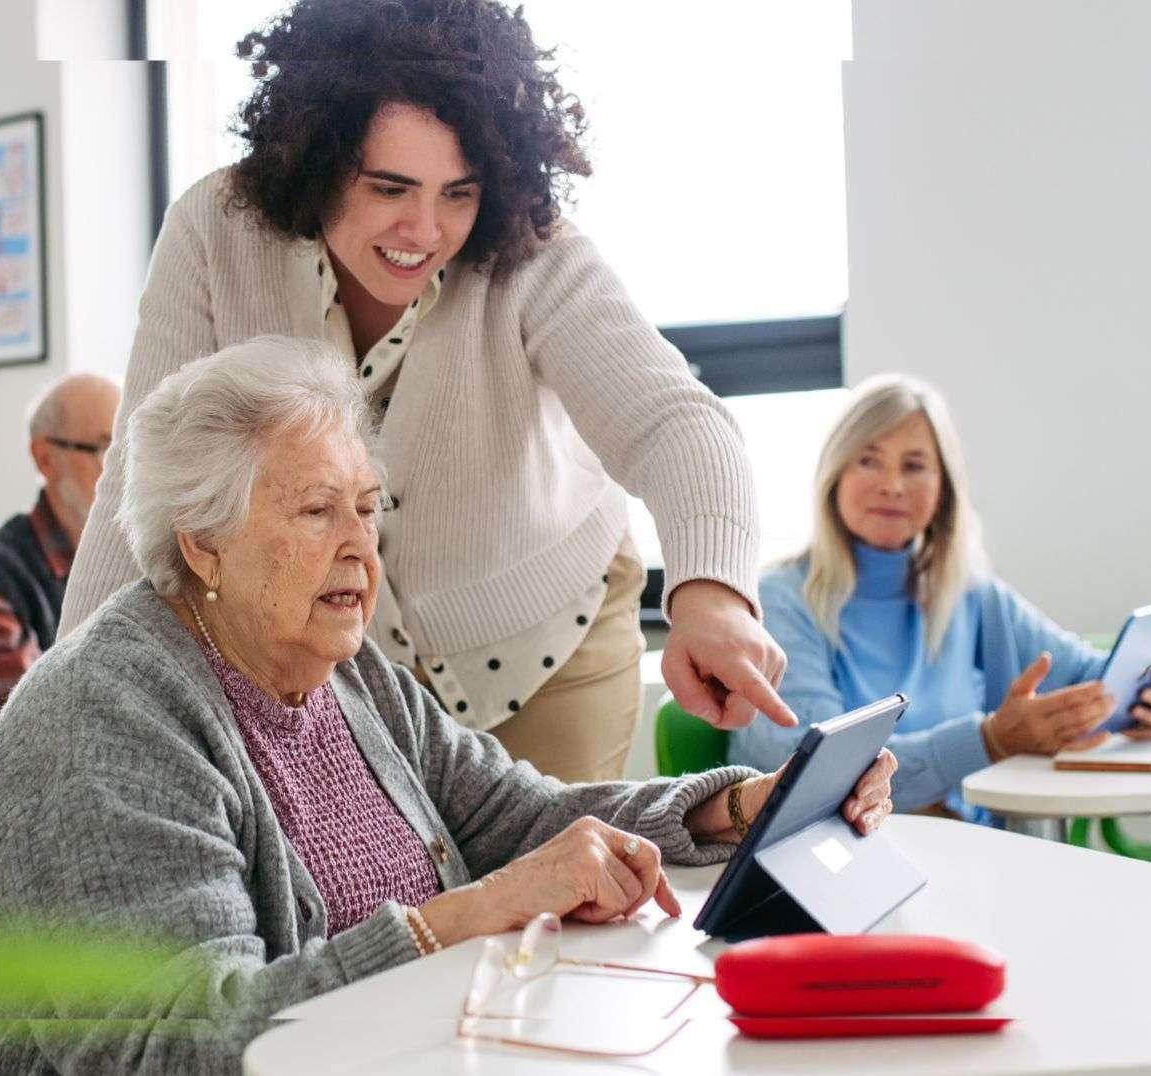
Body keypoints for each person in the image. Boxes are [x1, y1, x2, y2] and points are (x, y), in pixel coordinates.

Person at [0, 337, 897, 1072]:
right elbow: (174, 1046)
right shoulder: (103, 719)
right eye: (317, 512)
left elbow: (519, 818)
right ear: (202, 542)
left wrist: (736, 806)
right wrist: (468, 914)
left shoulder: (346, 669)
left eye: (368, 508)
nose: (361, 548)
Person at [58, 0, 793, 783]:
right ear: (317, 155)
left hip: (545, 635)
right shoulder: (215, 231)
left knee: (559, 886)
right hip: (339, 659)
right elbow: (143, 489)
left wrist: (712, 596)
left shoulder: (534, 255)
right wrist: (68, 693)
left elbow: (674, 424)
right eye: (388, 187)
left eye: (458, 192)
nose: (424, 229)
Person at [727, 374, 1151, 822]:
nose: (892, 484)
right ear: (833, 475)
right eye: (868, 460)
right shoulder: (780, 602)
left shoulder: (972, 595)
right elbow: (814, 773)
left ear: (943, 490)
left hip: (973, 846)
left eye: (914, 466)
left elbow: (1098, 684)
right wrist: (989, 740)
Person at [0, 372, 121, 763]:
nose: (122, 471)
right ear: (45, 458)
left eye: (129, 450)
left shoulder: (134, 558)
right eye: (105, 448)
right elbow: (32, 729)